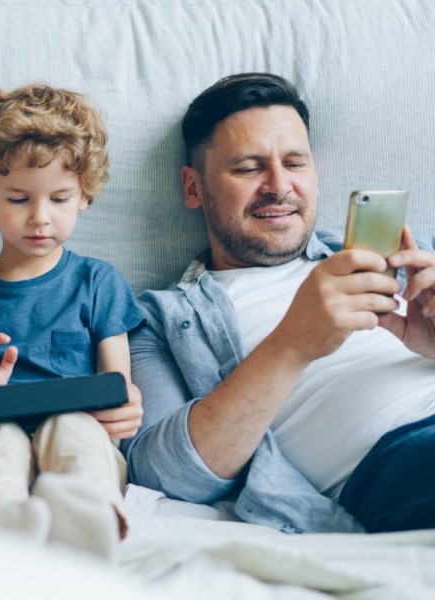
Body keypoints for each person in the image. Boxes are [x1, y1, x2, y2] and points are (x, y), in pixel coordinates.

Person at [123, 72, 435, 534]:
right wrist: (293, 342)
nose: (279, 186)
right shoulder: (159, 320)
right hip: (402, 458)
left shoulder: (409, 254)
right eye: (248, 168)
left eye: (295, 163)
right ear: (193, 188)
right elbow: (165, 473)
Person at [0, 84, 145, 558]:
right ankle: (2, 535)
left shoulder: (98, 282)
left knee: (71, 427)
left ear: (84, 196)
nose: (40, 218)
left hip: (79, 434)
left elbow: (119, 389)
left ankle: (91, 524)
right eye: (19, 200)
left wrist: (126, 407)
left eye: (59, 199)